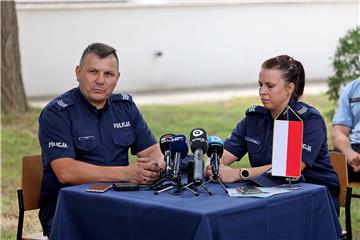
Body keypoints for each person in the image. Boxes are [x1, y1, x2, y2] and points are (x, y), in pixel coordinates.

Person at [38, 43, 164, 237]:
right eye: (93, 72)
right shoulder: (58, 113)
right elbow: (66, 172)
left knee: (166, 223)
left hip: (119, 202)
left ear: (117, 79)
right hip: (69, 210)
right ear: (78, 72)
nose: (100, 80)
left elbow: (152, 151)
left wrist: (153, 167)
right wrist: (126, 173)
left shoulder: (125, 106)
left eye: (108, 74)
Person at [206, 55, 340, 213]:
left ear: (290, 88)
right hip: (270, 196)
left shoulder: (309, 120)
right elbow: (224, 154)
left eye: (270, 86)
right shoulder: (254, 119)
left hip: (312, 200)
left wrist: (238, 174)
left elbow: (290, 168)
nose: (262, 91)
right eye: (260, 85)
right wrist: (211, 165)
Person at [332, 77, 360, 181]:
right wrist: (349, 153)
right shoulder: (352, 89)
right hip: (355, 152)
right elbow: (338, 132)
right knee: (325, 172)